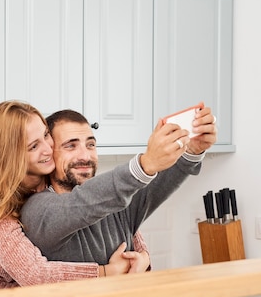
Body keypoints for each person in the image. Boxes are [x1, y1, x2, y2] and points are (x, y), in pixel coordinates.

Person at [0, 101, 150, 293]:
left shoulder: (55, 180)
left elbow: (113, 213)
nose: (47, 148)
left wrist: (142, 254)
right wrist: (106, 272)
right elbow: (35, 274)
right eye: (34, 146)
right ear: (12, 157)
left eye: (46, 135)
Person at [20, 107, 217, 264]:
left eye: (90, 144)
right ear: (49, 154)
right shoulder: (37, 210)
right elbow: (79, 204)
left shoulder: (115, 202)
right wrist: (146, 163)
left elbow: (161, 183)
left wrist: (193, 150)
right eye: (71, 146)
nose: (85, 156)